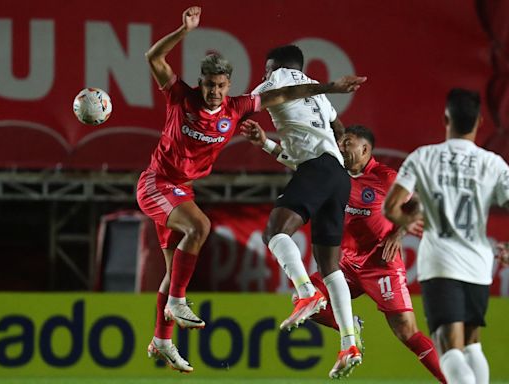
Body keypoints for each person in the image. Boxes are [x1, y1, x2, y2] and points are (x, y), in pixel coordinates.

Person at [136, 8, 367, 373]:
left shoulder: (243, 102)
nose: (214, 92)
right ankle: (344, 337)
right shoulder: (182, 96)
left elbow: (284, 93)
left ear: (231, 84)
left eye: (220, 86)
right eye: (209, 85)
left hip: (190, 188)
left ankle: (162, 339)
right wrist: (184, 30)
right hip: (159, 183)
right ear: (202, 83)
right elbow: (153, 57)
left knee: (272, 236)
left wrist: (326, 91)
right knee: (201, 229)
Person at [243, 123, 446, 382]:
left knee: (407, 332)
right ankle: (351, 327)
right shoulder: (334, 173)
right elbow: (298, 164)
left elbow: (419, 203)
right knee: (306, 301)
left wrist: (399, 233)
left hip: (380, 262)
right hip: (346, 265)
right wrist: (264, 143)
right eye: (340, 142)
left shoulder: (386, 177)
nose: (340, 147)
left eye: (347, 143)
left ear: (365, 149)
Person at [241, 44, 367, 378]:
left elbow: (243, 107)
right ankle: (349, 341)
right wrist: (264, 143)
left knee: (275, 231)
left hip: (318, 170)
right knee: (329, 264)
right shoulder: (318, 98)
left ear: (277, 67)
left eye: (266, 69)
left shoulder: (277, 80)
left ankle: (305, 294)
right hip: (337, 176)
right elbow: (334, 134)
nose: (264, 75)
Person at [383, 88, 509, 384]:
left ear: (445, 118)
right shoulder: (493, 163)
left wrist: (407, 219)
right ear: (480, 122)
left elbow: (391, 207)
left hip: (440, 262)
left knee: (448, 345)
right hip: (479, 265)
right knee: (472, 342)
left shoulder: (423, 157)